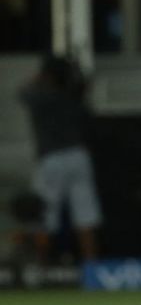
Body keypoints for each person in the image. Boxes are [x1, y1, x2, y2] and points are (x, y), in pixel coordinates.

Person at [19, 56, 102, 263]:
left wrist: (40, 77)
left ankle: (41, 267)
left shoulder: (40, 97)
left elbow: (22, 92)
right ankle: (91, 266)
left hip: (52, 158)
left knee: (44, 215)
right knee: (85, 213)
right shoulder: (73, 96)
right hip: (78, 156)